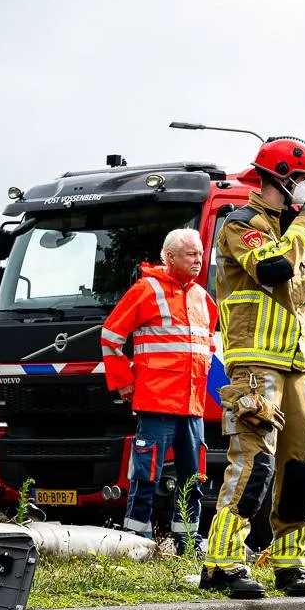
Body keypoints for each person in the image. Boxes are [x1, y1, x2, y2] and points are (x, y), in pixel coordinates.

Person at [201, 136, 305, 600]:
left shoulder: (285, 233)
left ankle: (291, 564)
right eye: (303, 179)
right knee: (254, 463)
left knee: (302, 469)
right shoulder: (241, 223)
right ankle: (222, 563)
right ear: (280, 180)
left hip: (295, 366)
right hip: (255, 364)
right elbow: (270, 270)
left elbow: (294, 295)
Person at [101, 227, 217, 553]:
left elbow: (207, 343)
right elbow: (110, 337)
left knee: (193, 478)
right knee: (146, 475)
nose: (198, 259)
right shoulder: (146, 289)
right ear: (169, 257)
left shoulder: (201, 297)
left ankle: (188, 542)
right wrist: (124, 382)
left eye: (200, 254)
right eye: (190, 254)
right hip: (156, 402)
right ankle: (135, 543)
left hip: (191, 405)